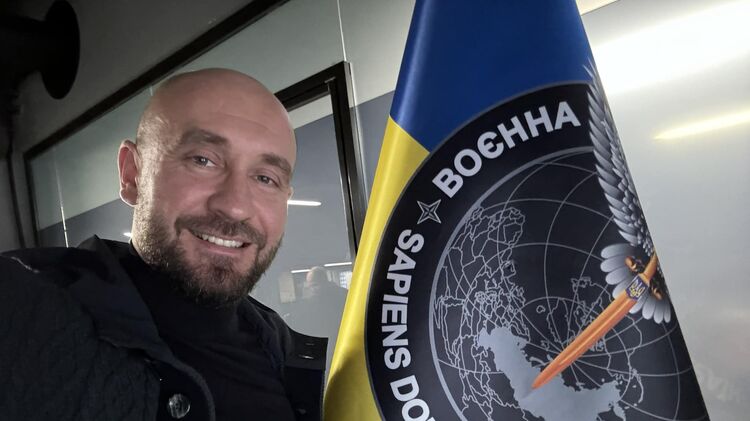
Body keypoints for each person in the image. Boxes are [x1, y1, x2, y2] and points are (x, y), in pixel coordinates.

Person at [0, 69, 326, 421]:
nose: (235, 206)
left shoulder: (285, 351)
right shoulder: (25, 317)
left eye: (265, 178)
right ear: (132, 174)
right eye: (203, 160)